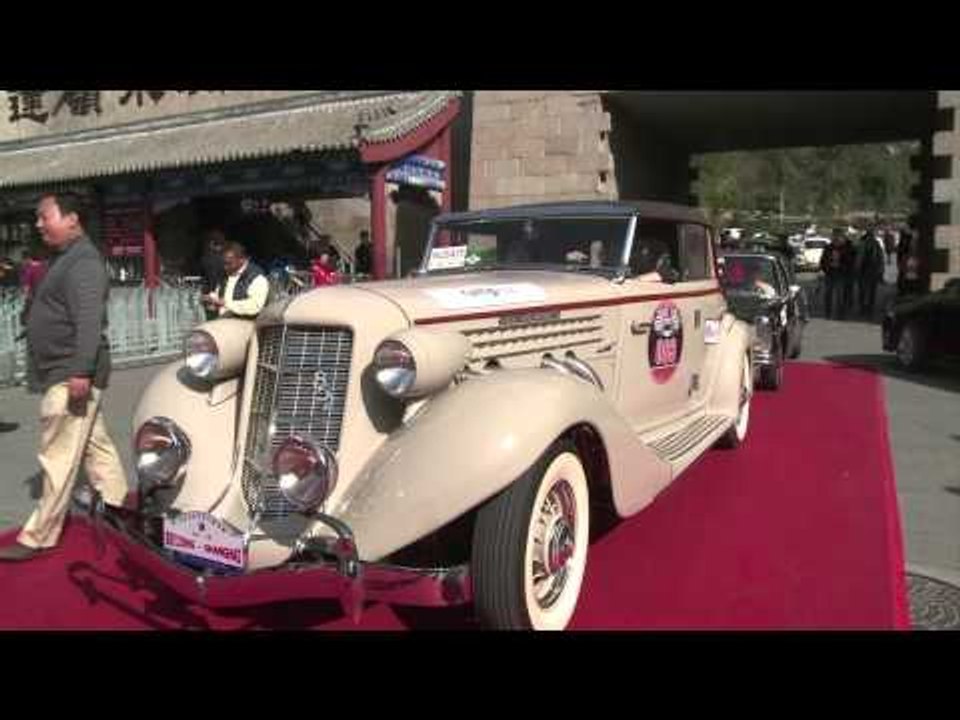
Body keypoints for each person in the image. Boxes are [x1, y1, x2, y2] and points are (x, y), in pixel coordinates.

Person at [0, 192, 129, 561]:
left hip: (70, 371)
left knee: (57, 455)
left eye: (45, 216)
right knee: (97, 450)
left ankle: (39, 535)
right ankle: (119, 511)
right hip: (66, 369)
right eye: (37, 218)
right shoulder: (64, 257)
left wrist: (80, 370)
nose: (38, 224)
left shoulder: (83, 261)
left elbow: (89, 321)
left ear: (72, 219)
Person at [204, 241, 269, 319]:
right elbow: (219, 294)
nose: (225, 267)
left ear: (242, 260)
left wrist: (225, 303)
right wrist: (211, 300)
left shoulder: (257, 278)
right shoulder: (226, 274)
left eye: (229, 263)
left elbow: (255, 306)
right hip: (223, 320)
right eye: (224, 263)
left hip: (245, 322)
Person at [820, 229, 856, 319]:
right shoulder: (828, 248)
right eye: (834, 236)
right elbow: (823, 260)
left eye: (838, 237)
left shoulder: (847, 248)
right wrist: (825, 268)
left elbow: (851, 261)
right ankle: (828, 313)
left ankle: (840, 314)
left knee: (840, 295)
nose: (835, 238)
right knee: (828, 294)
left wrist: (843, 260)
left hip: (841, 274)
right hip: (830, 273)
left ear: (842, 237)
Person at [857, 228, 885, 318]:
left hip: (870, 270)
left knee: (868, 291)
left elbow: (880, 259)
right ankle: (866, 308)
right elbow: (881, 259)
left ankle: (867, 308)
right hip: (867, 270)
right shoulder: (872, 244)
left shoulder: (874, 245)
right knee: (866, 291)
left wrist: (880, 270)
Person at [199, 229, 226, 321]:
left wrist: (211, 294)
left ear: (211, 243)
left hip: (213, 294)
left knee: (212, 320)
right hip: (223, 294)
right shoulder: (226, 257)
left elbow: (212, 278)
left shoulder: (208, 258)